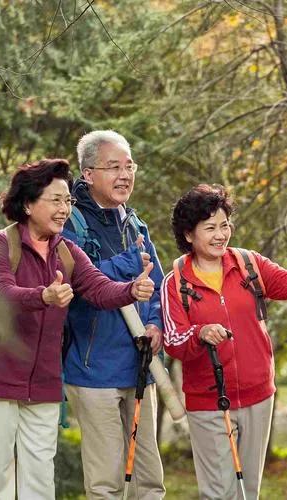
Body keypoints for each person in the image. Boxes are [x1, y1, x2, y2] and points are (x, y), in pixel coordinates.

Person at [0, 158, 155, 500]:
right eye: (56, 200)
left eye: (68, 201)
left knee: (39, 481)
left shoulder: (68, 252)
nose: (65, 209)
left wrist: (130, 290)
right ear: (28, 204)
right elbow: (2, 293)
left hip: (44, 384)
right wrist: (44, 295)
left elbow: (97, 287)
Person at [162, 184, 287, 500]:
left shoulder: (248, 263)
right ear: (189, 234)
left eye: (224, 225)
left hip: (258, 395)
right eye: (210, 228)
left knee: (248, 492)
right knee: (218, 492)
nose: (220, 234)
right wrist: (200, 334)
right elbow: (173, 341)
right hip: (209, 402)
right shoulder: (175, 281)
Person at [61, 130, 166, 500]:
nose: (125, 175)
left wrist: (155, 324)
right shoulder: (70, 222)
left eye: (129, 166)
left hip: (138, 368)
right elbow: (82, 281)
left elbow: (157, 281)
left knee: (149, 482)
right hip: (94, 371)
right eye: (113, 167)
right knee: (106, 483)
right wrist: (128, 263)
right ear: (88, 174)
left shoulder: (134, 223)